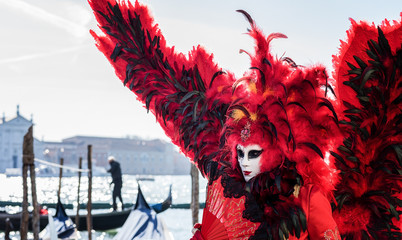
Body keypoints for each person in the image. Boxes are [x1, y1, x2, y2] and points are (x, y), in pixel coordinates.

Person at [89, 0, 401, 239]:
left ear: (276, 154)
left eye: (253, 154)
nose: (245, 162)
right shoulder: (229, 190)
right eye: (240, 153)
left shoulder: (308, 197)